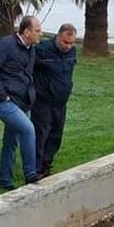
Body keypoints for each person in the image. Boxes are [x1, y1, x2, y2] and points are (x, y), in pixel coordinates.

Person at [0, 15, 42, 191]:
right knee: (28, 129)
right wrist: (1, 95)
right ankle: (30, 174)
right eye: (37, 31)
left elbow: (26, 74)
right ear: (26, 32)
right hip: (5, 102)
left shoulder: (31, 48)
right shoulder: (5, 45)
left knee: (10, 142)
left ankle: (5, 182)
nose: (41, 34)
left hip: (23, 102)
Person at [31, 23, 77, 178]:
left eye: (71, 43)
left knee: (56, 134)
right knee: (41, 134)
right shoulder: (42, 50)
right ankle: (35, 168)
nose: (68, 46)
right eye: (65, 42)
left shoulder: (72, 53)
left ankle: (46, 164)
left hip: (61, 102)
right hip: (43, 101)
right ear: (58, 37)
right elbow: (27, 66)